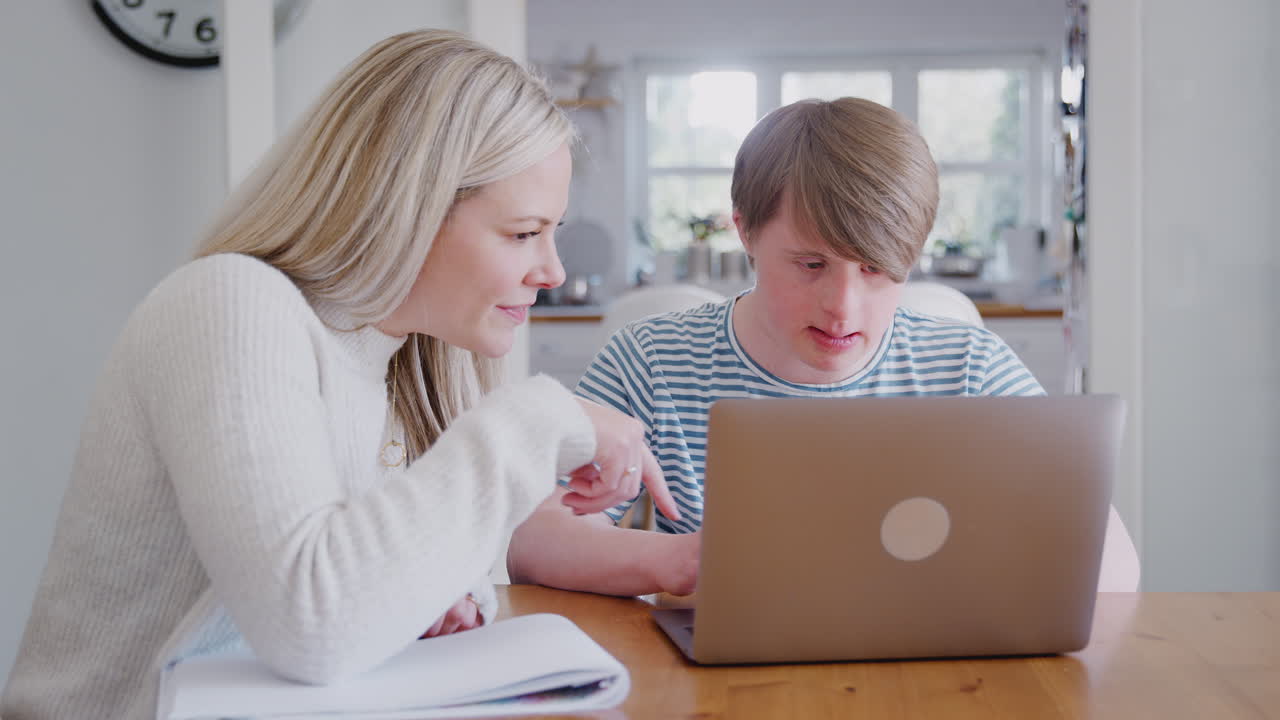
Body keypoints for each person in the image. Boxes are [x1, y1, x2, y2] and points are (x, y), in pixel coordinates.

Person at [1, 30, 677, 720]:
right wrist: (542, 418)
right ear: (407, 207)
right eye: (522, 233)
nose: (553, 271)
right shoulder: (232, 304)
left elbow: (439, 565)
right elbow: (313, 625)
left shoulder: (416, 358)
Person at [507, 97, 1044, 597]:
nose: (843, 308)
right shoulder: (652, 361)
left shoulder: (972, 367)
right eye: (811, 265)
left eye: (876, 269)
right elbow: (534, 536)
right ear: (745, 232)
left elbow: (1095, 540)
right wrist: (679, 560)